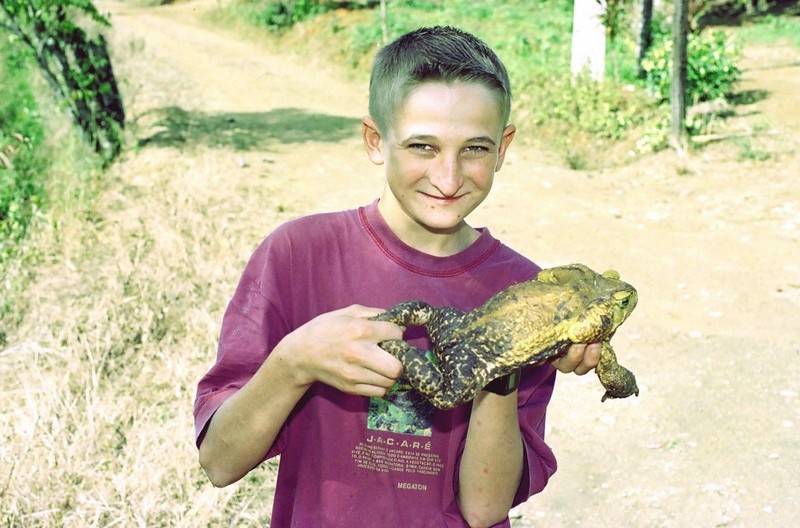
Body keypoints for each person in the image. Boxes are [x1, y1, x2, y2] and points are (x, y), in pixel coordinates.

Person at [194, 25, 600, 528]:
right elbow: (219, 461)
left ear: (502, 147)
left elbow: (485, 509)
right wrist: (295, 361)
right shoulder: (299, 255)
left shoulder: (525, 291)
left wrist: (505, 362)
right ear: (375, 141)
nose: (448, 178)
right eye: (422, 147)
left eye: (474, 148)